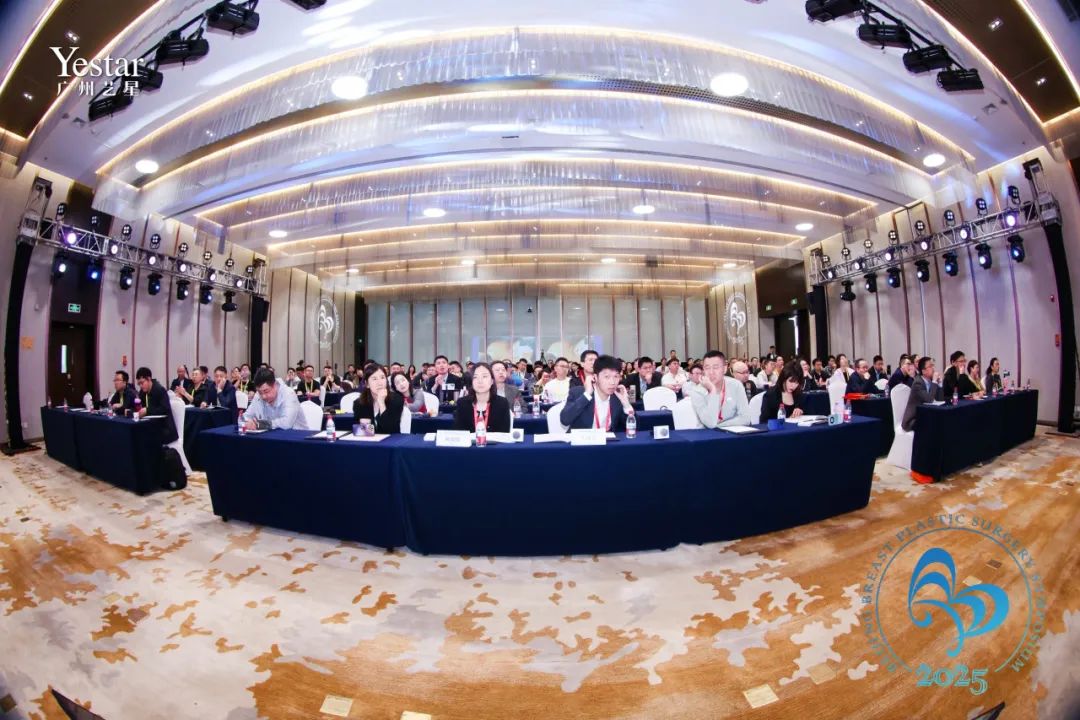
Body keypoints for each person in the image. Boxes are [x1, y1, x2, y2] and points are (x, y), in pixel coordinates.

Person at [559, 354, 634, 431]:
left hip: (608, 438)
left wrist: (626, 403)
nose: (612, 382)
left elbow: (635, 428)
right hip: (583, 438)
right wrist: (587, 395)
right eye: (607, 377)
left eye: (616, 376)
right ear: (595, 377)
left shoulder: (617, 397)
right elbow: (565, 420)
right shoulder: (578, 393)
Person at [689, 351, 751, 428]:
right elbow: (710, 423)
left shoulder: (736, 385)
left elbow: (746, 418)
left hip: (732, 432)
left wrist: (719, 426)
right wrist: (713, 390)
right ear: (703, 370)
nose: (711, 372)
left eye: (715, 367)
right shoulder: (697, 391)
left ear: (724, 369)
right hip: (706, 434)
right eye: (707, 368)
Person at [243, 368, 308, 431]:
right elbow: (246, 416)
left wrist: (262, 424)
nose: (263, 396)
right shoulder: (258, 395)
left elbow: (287, 423)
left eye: (266, 391)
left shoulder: (289, 394)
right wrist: (248, 423)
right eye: (260, 392)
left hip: (297, 435)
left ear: (275, 385)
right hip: (269, 435)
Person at [454, 363, 511, 433]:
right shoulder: (462, 403)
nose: (480, 381)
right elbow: (459, 433)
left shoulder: (502, 403)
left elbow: (504, 433)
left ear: (492, 381)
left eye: (484, 376)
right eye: (475, 377)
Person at [351, 364, 404, 434]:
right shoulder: (359, 403)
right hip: (369, 440)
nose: (380, 383)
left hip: (392, 440)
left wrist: (381, 403)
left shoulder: (396, 399)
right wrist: (367, 430)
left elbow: (390, 429)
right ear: (367, 384)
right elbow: (359, 431)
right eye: (374, 379)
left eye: (382, 377)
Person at [134, 367, 179, 444]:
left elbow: (164, 409)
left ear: (149, 379)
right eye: (139, 384)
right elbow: (140, 406)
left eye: (142, 383)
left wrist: (147, 410)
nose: (141, 386)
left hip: (165, 429)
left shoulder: (160, 389)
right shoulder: (142, 392)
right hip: (151, 426)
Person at [902, 357, 944, 432]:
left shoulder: (931, 380)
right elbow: (929, 399)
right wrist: (934, 381)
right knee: (933, 424)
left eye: (933, 365)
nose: (933, 368)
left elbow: (940, 399)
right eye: (930, 366)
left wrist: (940, 383)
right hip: (913, 419)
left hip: (925, 415)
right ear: (924, 371)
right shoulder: (918, 383)